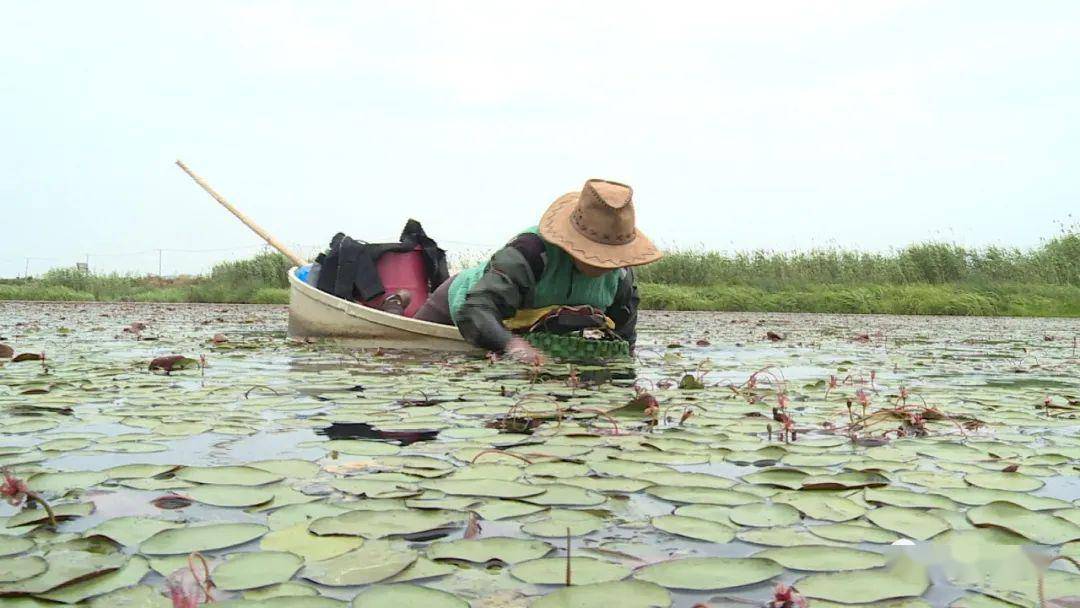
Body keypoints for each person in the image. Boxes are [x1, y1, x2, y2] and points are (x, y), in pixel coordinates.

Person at [415, 179, 662, 364]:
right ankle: (396, 305)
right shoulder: (531, 252)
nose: (604, 264)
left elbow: (624, 339)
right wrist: (513, 347)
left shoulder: (620, 277)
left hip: (531, 331)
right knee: (414, 361)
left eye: (612, 257)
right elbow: (477, 309)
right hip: (458, 306)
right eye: (595, 252)